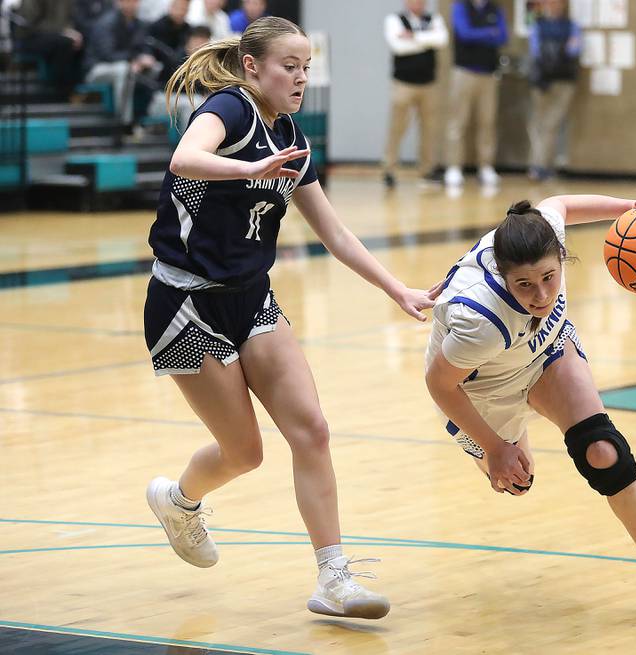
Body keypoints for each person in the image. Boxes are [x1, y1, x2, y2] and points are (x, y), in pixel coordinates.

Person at [144, 16, 437, 620]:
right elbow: (184, 157)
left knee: (312, 430)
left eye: (307, 67)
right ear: (253, 67)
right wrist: (248, 170)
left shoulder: (291, 136)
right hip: (186, 304)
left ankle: (333, 578)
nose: (301, 77)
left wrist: (393, 287)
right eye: (289, 67)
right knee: (244, 452)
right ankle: (179, 502)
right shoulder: (228, 109)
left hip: (251, 297)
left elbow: (334, 232)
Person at [424, 195, 636, 625]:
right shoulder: (479, 320)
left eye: (549, 278)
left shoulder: (546, 233)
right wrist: (494, 447)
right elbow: (438, 383)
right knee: (517, 482)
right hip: (485, 389)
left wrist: (629, 209)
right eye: (525, 285)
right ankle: (509, 437)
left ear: (559, 255)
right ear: (503, 275)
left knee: (603, 451)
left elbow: (559, 203)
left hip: (545, 353)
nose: (541, 295)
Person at [381, 0, 448, 189]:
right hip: (403, 84)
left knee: (429, 129)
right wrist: (427, 40)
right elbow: (398, 47)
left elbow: (442, 40)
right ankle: (389, 170)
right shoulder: (395, 20)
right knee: (397, 128)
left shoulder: (434, 18)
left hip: (429, 84)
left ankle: (427, 170)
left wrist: (413, 37)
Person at [444, 0, 508, 190]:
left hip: (489, 73)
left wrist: (482, 34)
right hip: (464, 72)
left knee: (487, 121)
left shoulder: (495, 9)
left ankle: (486, 166)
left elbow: (503, 36)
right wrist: (489, 32)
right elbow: (465, 33)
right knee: (458, 121)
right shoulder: (460, 7)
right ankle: (454, 167)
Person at [526, 0, 581, 181]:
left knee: (552, 124)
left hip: (564, 80)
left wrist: (558, 53)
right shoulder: (538, 25)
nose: (553, 4)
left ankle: (542, 166)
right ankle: (538, 165)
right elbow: (536, 52)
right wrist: (559, 52)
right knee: (538, 124)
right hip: (543, 80)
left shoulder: (571, 25)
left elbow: (574, 49)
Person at [83, 0, 159, 126]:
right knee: (123, 69)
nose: (131, 4)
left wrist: (145, 59)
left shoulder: (139, 23)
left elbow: (143, 47)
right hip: (96, 69)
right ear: (119, 2)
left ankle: (149, 120)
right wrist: (134, 60)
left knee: (155, 67)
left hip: (128, 66)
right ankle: (124, 123)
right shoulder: (107, 22)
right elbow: (107, 54)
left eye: (135, 1)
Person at [16, 0, 83, 100]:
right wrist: (62, 31)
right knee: (64, 44)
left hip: (57, 35)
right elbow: (28, 24)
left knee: (78, 41)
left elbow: (69, 20)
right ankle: (58, 92)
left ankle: (79, 89)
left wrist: (73, 33)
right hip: (30, 37)